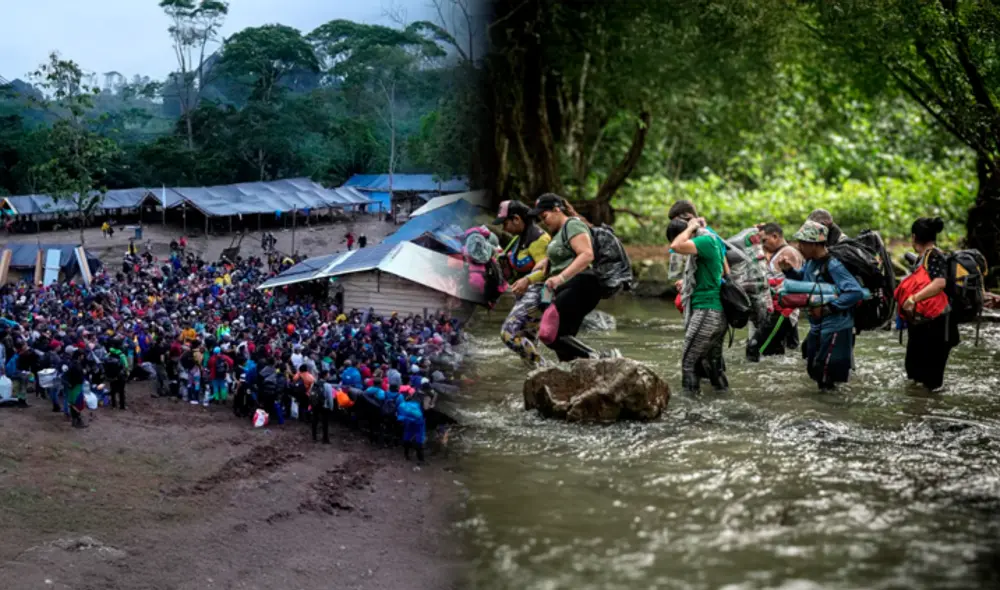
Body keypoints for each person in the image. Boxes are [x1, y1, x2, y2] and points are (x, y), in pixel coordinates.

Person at [526, 194, 614, 362]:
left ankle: (598, 359)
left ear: (557, 209)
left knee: (548, 333)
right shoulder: (559, 232)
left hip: (582, 284)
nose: (544, 222)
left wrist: (560, 277)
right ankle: (577, 372)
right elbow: (566, 254)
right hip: (570, 286)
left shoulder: (573, 225)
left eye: (545, 216)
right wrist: (548, 261)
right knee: (564, 340)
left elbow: (587, 254)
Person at [780, 220, 864, 390]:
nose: (798, 247)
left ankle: (834, 412)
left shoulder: (833, 265)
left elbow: (855, 292)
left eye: (802, 243)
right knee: (814, 369)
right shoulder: (810, 262)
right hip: (817, 325)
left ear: (814, 244)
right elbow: (804, 280)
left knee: (826, 374)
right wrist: (788, 270)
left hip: (836, 326)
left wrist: (827, 308)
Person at [668, 216, 730, 396]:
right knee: (714, 366)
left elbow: (676, 246)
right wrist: (686, 282)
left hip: (706, 311)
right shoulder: (712, 239)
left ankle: (691, 412)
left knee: (689, 364)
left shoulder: (704, 240)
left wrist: (689, 228)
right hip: (717, 313)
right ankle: (724, 398)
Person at [899, 217, 959, 391]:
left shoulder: (934, 256)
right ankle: (920, 410)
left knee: (931, 381)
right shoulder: (923, 258)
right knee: (915, 373)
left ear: (913, 236)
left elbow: (940, 283)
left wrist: (913, 299)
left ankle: (929, 413)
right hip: (924, 324)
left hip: (937, 325)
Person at [495, 200, 552, 366]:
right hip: (525, 295)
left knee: (508, 334)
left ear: (517, 219)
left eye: (505, 223)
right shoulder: (518, 239)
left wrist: (527, 280)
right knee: (527, 342)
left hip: (540, 293)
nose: (503, 228)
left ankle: (545, 368)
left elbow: (547, 270)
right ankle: (538, 376)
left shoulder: (540, 239)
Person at [757, 222, 804, 355]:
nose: (763, 245)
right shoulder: (778, 253)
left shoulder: (788, 252)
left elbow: (795, 283)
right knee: (790, 349)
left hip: (784, 311)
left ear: (775, 236)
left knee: (759, 351)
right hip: (783, 310)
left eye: (765, 240)